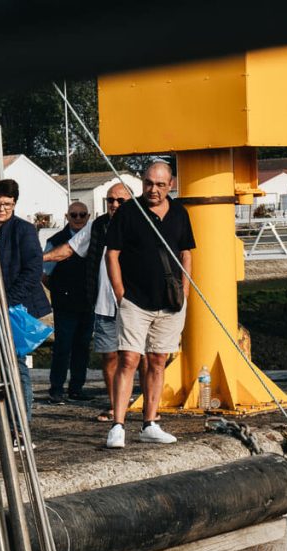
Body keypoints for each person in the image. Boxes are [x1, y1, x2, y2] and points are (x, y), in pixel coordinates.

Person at [105, 162, 195, 448]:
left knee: (158, 360)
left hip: (170, 301)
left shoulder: (180, 213)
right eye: (148, 183)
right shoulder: (128, 212)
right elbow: (112, 254)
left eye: (159, 184)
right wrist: (120, 292)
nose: (153, 189)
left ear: (171, 185)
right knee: (129, 359)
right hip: (135, 299)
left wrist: (186, 289)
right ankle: (117, 425)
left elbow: (186, 253)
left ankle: (150, 422)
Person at [44, 183, 148, 422]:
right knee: (109, 356)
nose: (114, 205)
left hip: (137, 303)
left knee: (139, 357)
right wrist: (35, 258)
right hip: (104, 305)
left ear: (131, 201)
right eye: (110, 200)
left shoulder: (142, 223)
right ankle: (114, 406)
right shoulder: (97, 226)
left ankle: (147, 405)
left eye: (120, 201)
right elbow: (67, 250)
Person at [0, 179, 50, 421]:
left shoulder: (23, 230)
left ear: (14, 205)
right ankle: (3, 421)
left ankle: (19, 422)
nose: (2, 209)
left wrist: (8, 300)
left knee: (15, 362)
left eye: (8, 204)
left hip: (16, 306)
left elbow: (33, 269)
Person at [43, 202, 94, 403]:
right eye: (74, 215)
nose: (78, 218)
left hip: (87, 302)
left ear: (88, 216)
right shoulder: (55, 241)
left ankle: (77, 387)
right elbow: (45, 273)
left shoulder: (93, 240)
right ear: (67, 216)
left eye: (82, 215)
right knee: (63, 346)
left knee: (83, 346)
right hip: (64, 302)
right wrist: (57, 290)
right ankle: (56, 388)